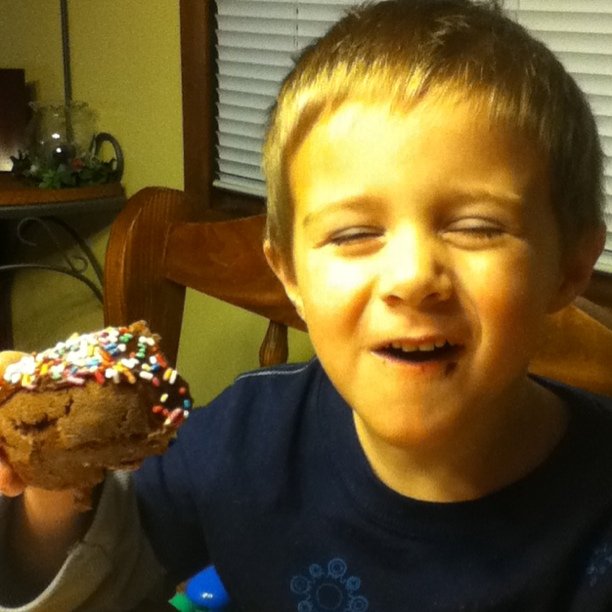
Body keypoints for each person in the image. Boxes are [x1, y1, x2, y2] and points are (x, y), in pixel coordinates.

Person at [0, 0, 610, 609]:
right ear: (289, 273)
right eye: (352, 234)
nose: (413, 276)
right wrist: (56, 479)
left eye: (478, 226)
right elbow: (101, 572)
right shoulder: (243, 439)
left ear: (572, 265)